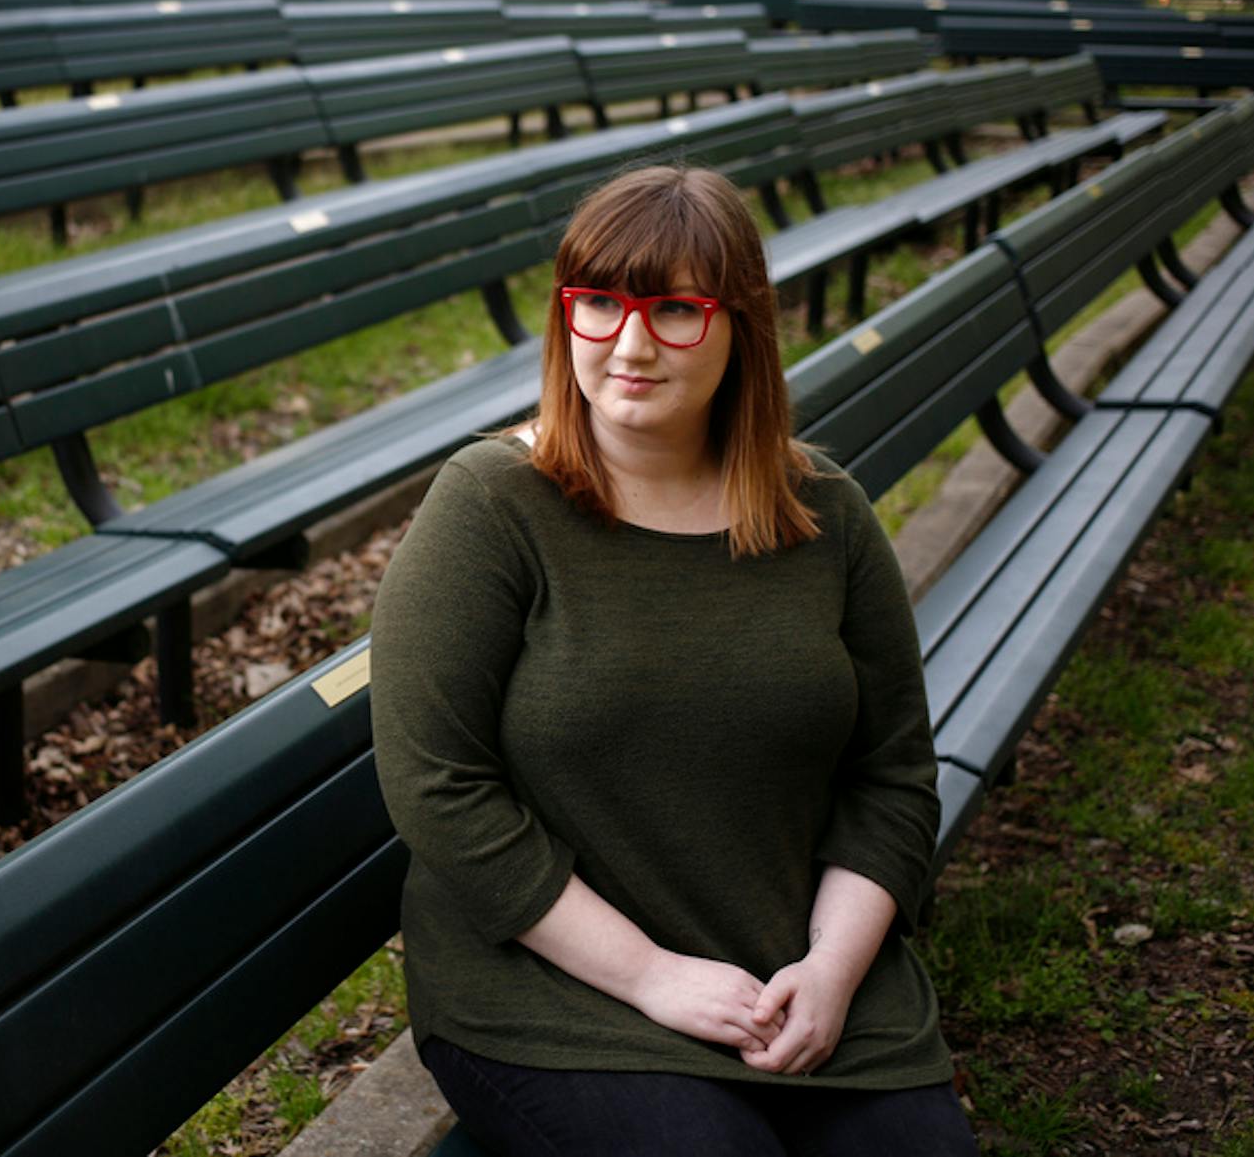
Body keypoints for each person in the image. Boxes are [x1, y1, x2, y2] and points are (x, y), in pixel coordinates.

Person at [369, 166, 977, 1156]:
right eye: (599, 302)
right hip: (559, 993)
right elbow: (436, 786)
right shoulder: (491, 507)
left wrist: (830, 969)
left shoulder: (827, 516)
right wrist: (653, 974)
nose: (631, 343)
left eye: (677, 310)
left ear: (742, 326)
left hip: (792, 977)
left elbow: (893, 775)